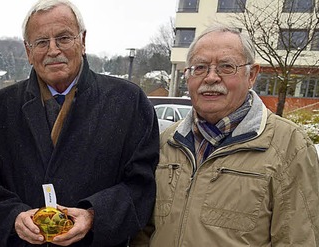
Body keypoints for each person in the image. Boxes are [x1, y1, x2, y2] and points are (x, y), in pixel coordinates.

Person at [0, 0, 160, 246]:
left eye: (63, 38)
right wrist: (13, 217)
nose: (53, 50)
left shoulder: (128, 102)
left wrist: (94, 215)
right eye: (41, 42)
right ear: (28, 51)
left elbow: (141, 186)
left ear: (82, 41)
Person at [131, 25, 319, 246]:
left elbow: (298, 238)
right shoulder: (167, 142)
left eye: (226, 67)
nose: (211, 78)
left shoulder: (289, 146)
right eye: (200, 67)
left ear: (252, 75)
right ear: (187, 75)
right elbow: (143, 231)